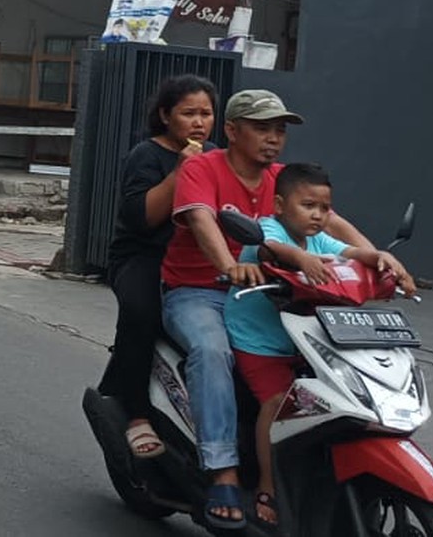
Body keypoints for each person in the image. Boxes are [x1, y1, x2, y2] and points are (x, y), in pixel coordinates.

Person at [163, 90, 375, 528]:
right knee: (211, 350)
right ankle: (222, 470)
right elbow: (204, 219)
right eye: (262, 128)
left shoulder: (285, 180)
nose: (273, 138)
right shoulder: (202, 167)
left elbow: (335, 226)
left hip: (274, 295)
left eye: (279, 130)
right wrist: (227, 266)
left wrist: (377, 262)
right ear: (232, 130)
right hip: (200, 290)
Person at [224, 162, 415, 525]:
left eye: (324, 208)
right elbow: (269, 247)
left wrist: (381, 258)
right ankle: (268, 487)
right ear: (280, 205)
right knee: (277, 403)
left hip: (306, 339)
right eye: (307, 205)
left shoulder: (318, 239)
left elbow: (350, 253)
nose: (317, 215)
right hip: (259, 341)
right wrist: (299, 258)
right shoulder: (271, 227)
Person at [97, 74, 218, 460]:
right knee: (143, 310)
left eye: (206, 113)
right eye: (189, 113)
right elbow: (142, 218)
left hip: (196, 260)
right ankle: (136, 414)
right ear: (165, 115)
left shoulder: (215, 156)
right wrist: (181, 172)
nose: (199, 123)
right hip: (143, 256)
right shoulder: (146, 156)